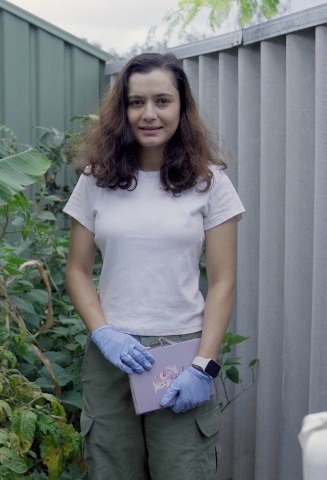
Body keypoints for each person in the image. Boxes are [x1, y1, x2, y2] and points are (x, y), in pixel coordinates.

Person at [63, 52, 244, 479]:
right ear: (121, 110)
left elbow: (222, 283)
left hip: (180, 356)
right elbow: (76, 269)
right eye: (136, 102)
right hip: (112, 357)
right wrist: (104, 333)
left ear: (182, 107)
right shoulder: (96, 179)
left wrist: (204, 366)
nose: (149, 114)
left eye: (162, 101)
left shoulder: (210, 183)